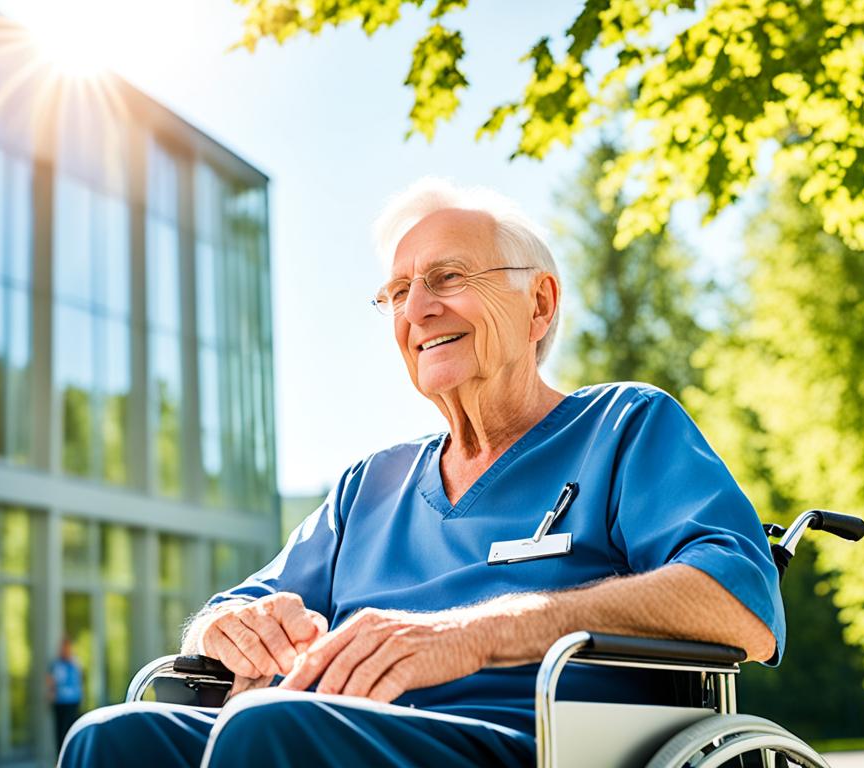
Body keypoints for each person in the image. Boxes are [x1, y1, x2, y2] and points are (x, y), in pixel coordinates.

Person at [58, 178, 784, 767]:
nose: (419, 308)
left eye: (447, 277)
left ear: (539, 303)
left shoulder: (623, 427)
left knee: (271, 730)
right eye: (398, 292)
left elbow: (740, 604)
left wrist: (474, 633)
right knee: (114, 737)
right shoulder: (366, 488)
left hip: (539, 747)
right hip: (338, 736)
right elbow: (239, 607)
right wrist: (225, 628)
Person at [48, 636, 84, 754]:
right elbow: (51, 681)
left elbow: (79, 681)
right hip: (60, 703)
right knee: (60, 734)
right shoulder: (56, 664)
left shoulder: (75, 664)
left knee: (71, 731)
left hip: (72, 703)